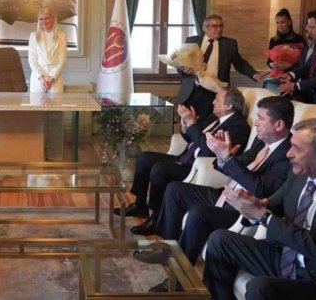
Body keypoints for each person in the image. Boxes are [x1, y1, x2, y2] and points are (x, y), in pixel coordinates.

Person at [204, 118, 316, 300]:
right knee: (220, 240)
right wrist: (251, 206)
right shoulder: (299, 176)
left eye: (297, 148)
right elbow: (271, 206)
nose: (288, 154)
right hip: (288, 258)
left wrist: (262, 215)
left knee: (260, 288)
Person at [139, 96, 292, 266]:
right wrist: (222, 155)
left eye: (261, 118)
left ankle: (180, 267)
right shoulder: (261, 140)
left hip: (242, 208)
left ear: (279, 125)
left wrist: (228, 158)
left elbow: (261, 188)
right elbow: (238, 163)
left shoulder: (288, 154)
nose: (256, 123)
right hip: (227, 193)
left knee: (199, 212)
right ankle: (166, 250)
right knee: (175, 189)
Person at [122, 87, 251, 237]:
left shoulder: (238, 126)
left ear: (228, 105)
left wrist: (192, 124)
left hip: (196, 166)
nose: (213, 102)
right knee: (144, 158)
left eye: (217, 99)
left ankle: (156, 218)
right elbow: (191, 137)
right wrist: (186, 124)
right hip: (184, 157)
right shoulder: (213, 118)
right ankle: (140, 205)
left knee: (159, 170)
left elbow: (208, 151)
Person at [178, 14, 263, 122]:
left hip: (216, 92)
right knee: (188, 122)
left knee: (209, 123)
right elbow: (181, 62)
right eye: (214, 26)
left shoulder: (229, 44)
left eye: (221, 26)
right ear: (205, 28)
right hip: (192, 90)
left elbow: (239, 63)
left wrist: (254, 74)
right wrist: (184, 70)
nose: (219, 29)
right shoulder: (192, 41)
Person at [264, 9, 306, 92]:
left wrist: (290, 65)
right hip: (276, 77)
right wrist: (273, 65)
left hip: (293, 78)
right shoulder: (273, 40)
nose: (279, 25)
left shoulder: (298, 39)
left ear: (289, 22)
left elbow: (304, 62)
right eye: (277, 22)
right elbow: (269, 61)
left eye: (282, 22)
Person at [28, 6, 67, 93]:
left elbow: (62, 61)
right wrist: (42, 79)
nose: (44, 22)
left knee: (56, 102)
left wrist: (51, 79)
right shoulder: (33, 36)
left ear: (53, 19)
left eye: (46, 18)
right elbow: (32, 60)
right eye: (41, 19)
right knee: (36, 102)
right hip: (38, 79)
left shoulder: (62, 36)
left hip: (55, 78)